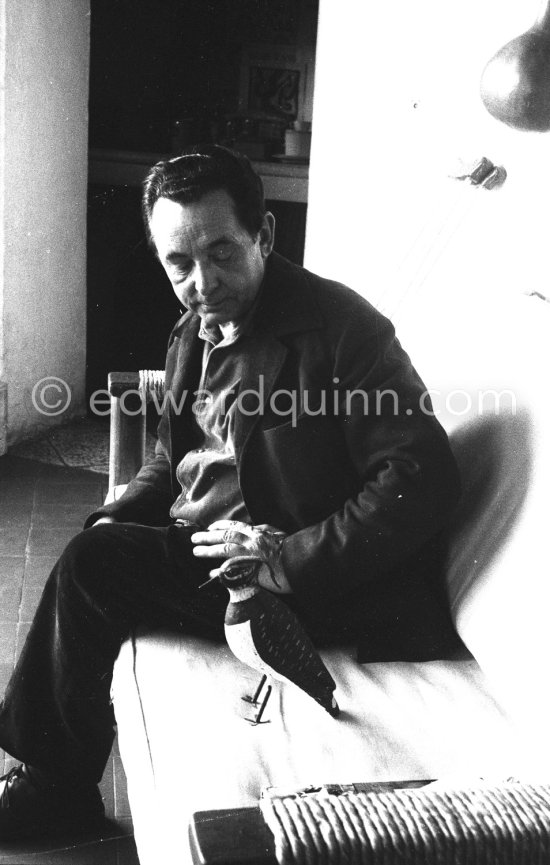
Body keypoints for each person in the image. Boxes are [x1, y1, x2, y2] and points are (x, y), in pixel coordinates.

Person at [0, 145, 461, 839]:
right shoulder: (194, 328)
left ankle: (55, 789)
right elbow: (175, 456)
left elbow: (420, 477)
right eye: (179, 263)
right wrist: (118, 515)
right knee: (96, 550)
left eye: (221, 252)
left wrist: (290, 559)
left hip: (294, 576)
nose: (201, 282)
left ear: (265, 236)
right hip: (206, 546)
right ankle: (51, 777)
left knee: (89, 573)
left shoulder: (344, 333)